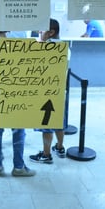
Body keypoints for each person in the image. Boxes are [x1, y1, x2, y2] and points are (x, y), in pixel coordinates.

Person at [0, 30, 36, 178]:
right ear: (8, 28)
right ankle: (18, 167)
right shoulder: (15, 45)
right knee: (18, 129)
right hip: (11, 90)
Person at [29, 18, 68, 164]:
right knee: (58, 121)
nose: (39, 32)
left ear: (51, 32)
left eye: (42, 30)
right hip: (59, 91)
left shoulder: (49, 48)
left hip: (46, 91)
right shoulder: (63, 46)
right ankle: (59, 147)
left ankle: (46, 155)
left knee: (46, 124)